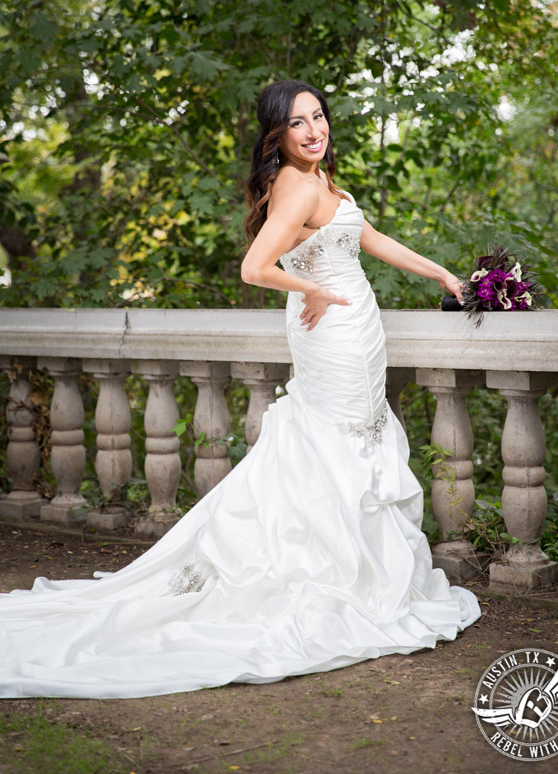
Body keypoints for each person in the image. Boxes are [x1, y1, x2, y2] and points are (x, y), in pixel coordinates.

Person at [0, 79, 480, 700]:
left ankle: (356, 573)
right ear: (276, 135)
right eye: (298, 124)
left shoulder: (323, 181)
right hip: (331, 334)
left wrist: (440, 271)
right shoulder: (299, 184)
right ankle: (331, 580)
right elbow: (256, 268)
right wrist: (308, 289)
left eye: (319, 117)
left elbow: (368, 239)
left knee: (349, 444)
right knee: (332, 448)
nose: (314, 131)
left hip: (355, 333)